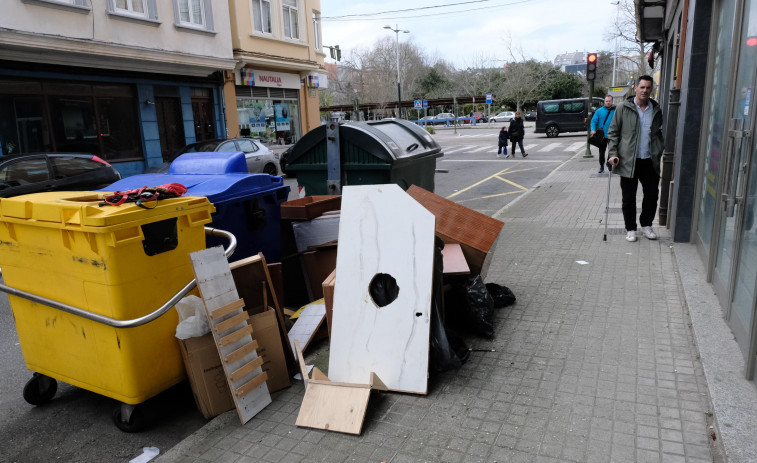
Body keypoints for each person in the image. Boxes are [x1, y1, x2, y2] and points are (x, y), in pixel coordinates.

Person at [607, 75, 665, 242]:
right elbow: (613, 133)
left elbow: (657, 133)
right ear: (635, 87)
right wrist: (613, 154)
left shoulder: (656, 109)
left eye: (648, 88)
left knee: (652, 194)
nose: (645, 90)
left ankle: (646, 225)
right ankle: (630, 228)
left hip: (649, 160)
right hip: (628, 160)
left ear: (651, 89)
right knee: (629, 198)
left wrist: (659, 148)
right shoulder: (623, 108)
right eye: (642, 87)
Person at [590, 95, 616, 173]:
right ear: (604, 102)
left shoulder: (616, 110)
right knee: (601, 152)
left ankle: (609, 163)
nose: (608, 102)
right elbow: (593, 121)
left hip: (612, 135)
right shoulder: (599, 111)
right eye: (606, 101)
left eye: (609, 101)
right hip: (602, 136)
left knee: (611, 152)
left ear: (612, 101)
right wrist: (593, 130)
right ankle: (601, 166)